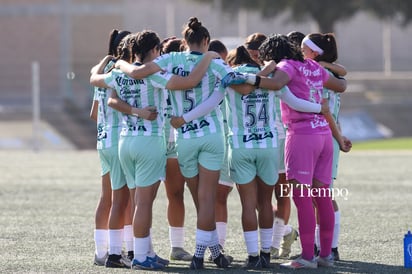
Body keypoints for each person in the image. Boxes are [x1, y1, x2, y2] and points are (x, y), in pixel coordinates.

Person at [176, 45, 328, 269]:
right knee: (265, 202)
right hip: (267, 146)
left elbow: (210, 104)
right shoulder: (269, 79)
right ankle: (266, 254)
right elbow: (295, 101)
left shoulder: (230, 77)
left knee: (248, 204)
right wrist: (318, 108)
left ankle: (253, 255)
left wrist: (185, 118)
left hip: (240, 146)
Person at [115, 17, 239, 270]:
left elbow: (136, 73)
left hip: (182, 138)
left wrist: (118, 61)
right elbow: (236, 82)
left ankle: (212, 252)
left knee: (193, 198)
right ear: (206, 41)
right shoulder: (215, 62)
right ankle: (198, 254)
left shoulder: (170, 60)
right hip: (211, 135)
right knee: (206, 200)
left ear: (184, 42)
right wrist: (213, 58)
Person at [90, 29, 219, 270]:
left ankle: (143, 251)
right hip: (149, 141)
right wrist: (208, 58)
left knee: (136, 200)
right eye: (158, 50)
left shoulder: (119, 72)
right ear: (153, 50)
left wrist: (109, 62)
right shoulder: (155, 75)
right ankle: (140, 257)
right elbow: (191, 81)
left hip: (124, 142)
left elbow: (96, 81)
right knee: (144, 203)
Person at [224, 34, 350, 269]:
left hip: (302, 135)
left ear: (272, 55)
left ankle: (307, 257)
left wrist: (250, 77)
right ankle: (325, 255)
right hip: (323, 135)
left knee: (302, 199)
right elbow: (341, 85)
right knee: (322, 196)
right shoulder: (312, 65)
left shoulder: (286, 66)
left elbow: (276, 84)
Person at [301, 32, 351, 261]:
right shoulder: (327, 71)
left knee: (323, 196)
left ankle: (330, 247)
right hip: (326, 136)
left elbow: (326, 111)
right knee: (318, 195)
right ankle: (325, 247)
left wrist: (338, 137)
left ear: (314, 52)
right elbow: (343, 77)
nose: (301, 53)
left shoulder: (319, 74)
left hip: (323, 136)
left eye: (304, 49)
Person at [90, 29, 133, 268]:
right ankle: (120, 252)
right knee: (122, 200)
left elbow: (94, 113)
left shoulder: (104, 70)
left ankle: (100, 252)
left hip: (103, 140)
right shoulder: (122, 71)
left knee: (106, 198)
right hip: (118, 140)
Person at [160, 37, 193, 262]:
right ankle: (181, 246)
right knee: (183, 196)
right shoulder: (185, 76)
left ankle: (176, 246)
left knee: (174, 196)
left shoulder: (161, 73)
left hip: (164, 141)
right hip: (179, 140)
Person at [206, 39, 233, 260]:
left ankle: (219, 247)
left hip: (231, 142)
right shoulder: (204, 75)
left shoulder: (231, 76)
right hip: (213, 139)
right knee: (212, 197)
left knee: (221, 196)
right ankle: (216, 246)